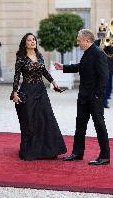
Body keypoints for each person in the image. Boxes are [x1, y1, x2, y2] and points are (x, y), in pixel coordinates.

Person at [55, 29, 110, 165]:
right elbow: (81, 67)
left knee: (99, 125)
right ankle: (77, 153)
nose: (78, 42)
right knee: (80, 125)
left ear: (87, 40)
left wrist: (98, 95)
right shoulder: (87, 53)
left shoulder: (98, 53)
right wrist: (64, 67)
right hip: (83, 97)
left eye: (79, 40)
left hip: (94, 98)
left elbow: (104, 76)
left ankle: (105, 156)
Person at [10, 33, 67, 161]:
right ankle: (31, 150)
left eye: (34, 39)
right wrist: (14, 92)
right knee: (30, 120)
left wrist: (54, 82)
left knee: (46, 118)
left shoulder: (39, 56)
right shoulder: (21, 58)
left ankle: (49, 150)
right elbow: (16, 76)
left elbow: (44, 71)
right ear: (25, 43)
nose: (32, 41)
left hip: (41, 91)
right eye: (29, 40)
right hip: (28, 91)